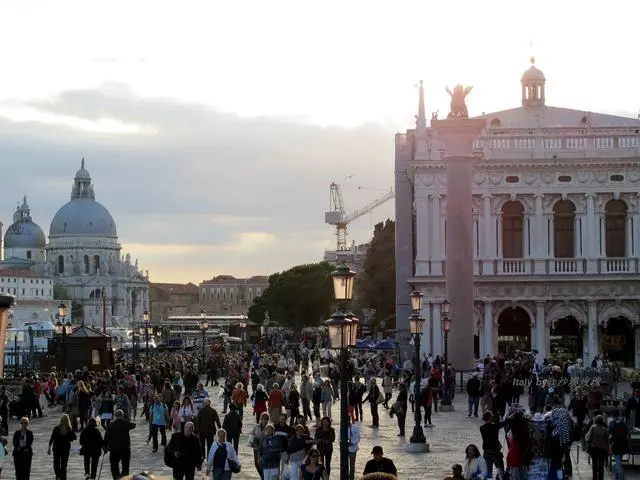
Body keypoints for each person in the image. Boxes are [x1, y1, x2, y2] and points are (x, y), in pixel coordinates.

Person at [104, 409, 136, 479]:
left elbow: (106, 438)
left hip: (114, 449)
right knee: (125, 466)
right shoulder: (125, 423)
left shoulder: (111, 425)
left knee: (114, 466)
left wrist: (105, 447)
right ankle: (123, 477)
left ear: (115, 416)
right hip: (125, 449)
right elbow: (134, 425)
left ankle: (116, 478)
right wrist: (127, 419)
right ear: (122, 415)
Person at [48, 413, 77, 480]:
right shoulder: (62, 428)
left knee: (60, 464)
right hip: (61, 448)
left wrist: (49, 447)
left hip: (61, 448)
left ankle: (60, 476)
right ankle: (60, 476)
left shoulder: (66, 429)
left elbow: (74, 437)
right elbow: (52, 438)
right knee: (60, 464)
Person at [585, 414, 608, 480]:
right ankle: (601, 478)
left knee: (594, 464)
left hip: (594, 448)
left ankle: (595, 477)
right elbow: (607, 441)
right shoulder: (605, 430)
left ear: (596, 421)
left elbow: (589, 438)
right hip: (602, 449)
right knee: (601, 465)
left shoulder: (593, 428)